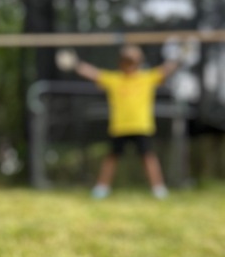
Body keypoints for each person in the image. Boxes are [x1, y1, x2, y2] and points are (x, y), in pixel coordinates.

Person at [57, 44, 180, 198]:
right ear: (121, 63)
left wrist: (180, 56)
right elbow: (93, 73)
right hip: (119, 127)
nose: (129, 65)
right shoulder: (114, 79)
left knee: (148, 157)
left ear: (138, 62)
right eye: (126, 61)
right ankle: (101, 189)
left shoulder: (147, 77)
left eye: (132, 62)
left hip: (142, 126)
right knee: (112, 158)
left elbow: (166, 70)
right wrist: (75, 63)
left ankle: (159, 189)